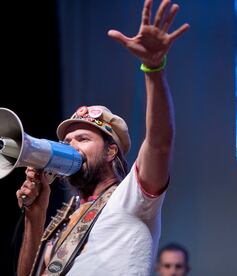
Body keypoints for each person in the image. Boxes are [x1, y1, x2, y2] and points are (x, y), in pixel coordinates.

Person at [16, 0, 189, 275]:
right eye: (67, 142)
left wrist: (153, 69)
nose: (71, 145)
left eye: (82, 139)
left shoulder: (131, 196)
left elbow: (159, 143)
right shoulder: (65, 220)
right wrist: (34, 215)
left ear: (110, 152)